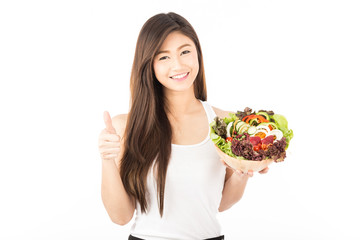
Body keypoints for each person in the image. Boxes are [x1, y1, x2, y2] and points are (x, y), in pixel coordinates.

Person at [98, 12, 268, 240]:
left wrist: (243, 172)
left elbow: (220, 204)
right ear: (149, 64)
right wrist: (107, 160)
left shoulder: (225, 123)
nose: (177, 65)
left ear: (198, 53)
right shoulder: (126, 126)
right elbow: (120, 217)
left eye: (185, 51)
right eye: (163, 57)